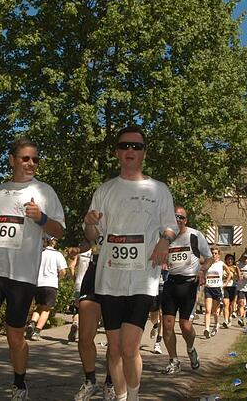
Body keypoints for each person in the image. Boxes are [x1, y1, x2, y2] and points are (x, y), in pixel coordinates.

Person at [0, 138, 65, 401]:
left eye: (35, 159)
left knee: (15, 335)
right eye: (26, 158)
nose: (31, 163)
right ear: (12, 160)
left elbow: (60, 231)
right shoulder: (0, 191)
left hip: (22, 273)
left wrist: (40, 218)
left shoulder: (45, 191)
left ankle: (19, 383)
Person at [83, 125, 178, 401]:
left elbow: (170, 226)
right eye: (125, 146)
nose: (130, 151)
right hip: (110, 278)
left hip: (141, 279)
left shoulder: (158, 190)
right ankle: (121, 397)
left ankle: (133, 397)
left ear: (144, 153)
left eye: (136, 147)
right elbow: (93, 236)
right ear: (117, 152)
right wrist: (90, 225)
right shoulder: (105, 190)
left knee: (129, 348)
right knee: (114, 349)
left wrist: (164, 241)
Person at [159, 206, 211, 375]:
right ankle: (173, 360)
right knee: (167, 325)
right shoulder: (165, 237)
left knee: (185, 326)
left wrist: (202, 270)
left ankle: (190, 348)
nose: (177, 220)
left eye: (181, 217)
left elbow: (209, 258)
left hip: (189, 285)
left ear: (185, 220)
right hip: (171, 283)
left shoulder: (195, 235)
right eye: (174, 217)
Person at [72, 239, 116, 401]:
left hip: (118, 276)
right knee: (84, 337)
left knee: (114, 339)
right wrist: (79, 248)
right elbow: (89, 241)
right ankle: (90, 381)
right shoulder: (99, 214)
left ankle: (111, 382)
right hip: (94, 275)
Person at [26, 237, 68, 341]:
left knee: (38, 307)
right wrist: (59, 276)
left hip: (38, 283)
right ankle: (37, 331)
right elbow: (63, 271)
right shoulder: (57, 254)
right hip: (50, 284)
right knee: (46, 309)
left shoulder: (40, 253)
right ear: (54, 243)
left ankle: (32, 322)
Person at [68, 242, 93, 343]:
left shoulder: (80, 253)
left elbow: (71, 266)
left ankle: (75, 323)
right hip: (90, 285)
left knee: (78, 309)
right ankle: (83, 335)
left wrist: (75, 278)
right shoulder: (95, 253)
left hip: (79, 283)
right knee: (88, 312)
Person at [202, 248, 224, 338]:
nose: (214, 255)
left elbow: (231, 273)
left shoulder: (221, 264)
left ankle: (216, 324)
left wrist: (225, 283)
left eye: (215, 253)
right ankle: (206, 329)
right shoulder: (207, 263)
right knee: (208, 310)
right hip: (208, 288)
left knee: (214, 311)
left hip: (217, 289)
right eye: (212, 253)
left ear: (218, 255)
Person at [221, 253, 238, 328]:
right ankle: (225, 320)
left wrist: (236, 271)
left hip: (233, 287)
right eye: (228, 259)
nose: (230, 261)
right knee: (225, 304)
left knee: (231, 305)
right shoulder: (223, 267)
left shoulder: (235, 267)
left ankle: (229, 317)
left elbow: (238, 277)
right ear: (225, 260)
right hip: (225, 287)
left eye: (231, 259)